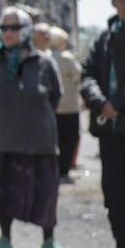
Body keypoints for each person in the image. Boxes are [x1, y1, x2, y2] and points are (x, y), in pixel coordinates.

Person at [0, 7, 67, 248]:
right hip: (3, 142)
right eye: (4, 28)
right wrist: (1, 119)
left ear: (26, 31)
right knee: (3, 192)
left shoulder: (45, 63)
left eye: (14, 28)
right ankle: (5, 240)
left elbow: (56, 98)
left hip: (41, 143)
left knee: (46, 194)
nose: (9, 33)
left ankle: (49, 242)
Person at [80, 0, 125, 248]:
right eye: (122, 0)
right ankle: (122, 247)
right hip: (109, 130)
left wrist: (117, 102)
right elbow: (87, 74)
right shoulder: (104, 38)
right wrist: (100, 102)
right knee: (113, 188)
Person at [50, 27, 82, 184]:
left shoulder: (46, 58)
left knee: (55, 139)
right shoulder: (67, 59)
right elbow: (79, 76)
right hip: (70, 107)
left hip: (53, 108)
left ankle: (55, 169)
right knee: (69, 139)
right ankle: (64, 170)